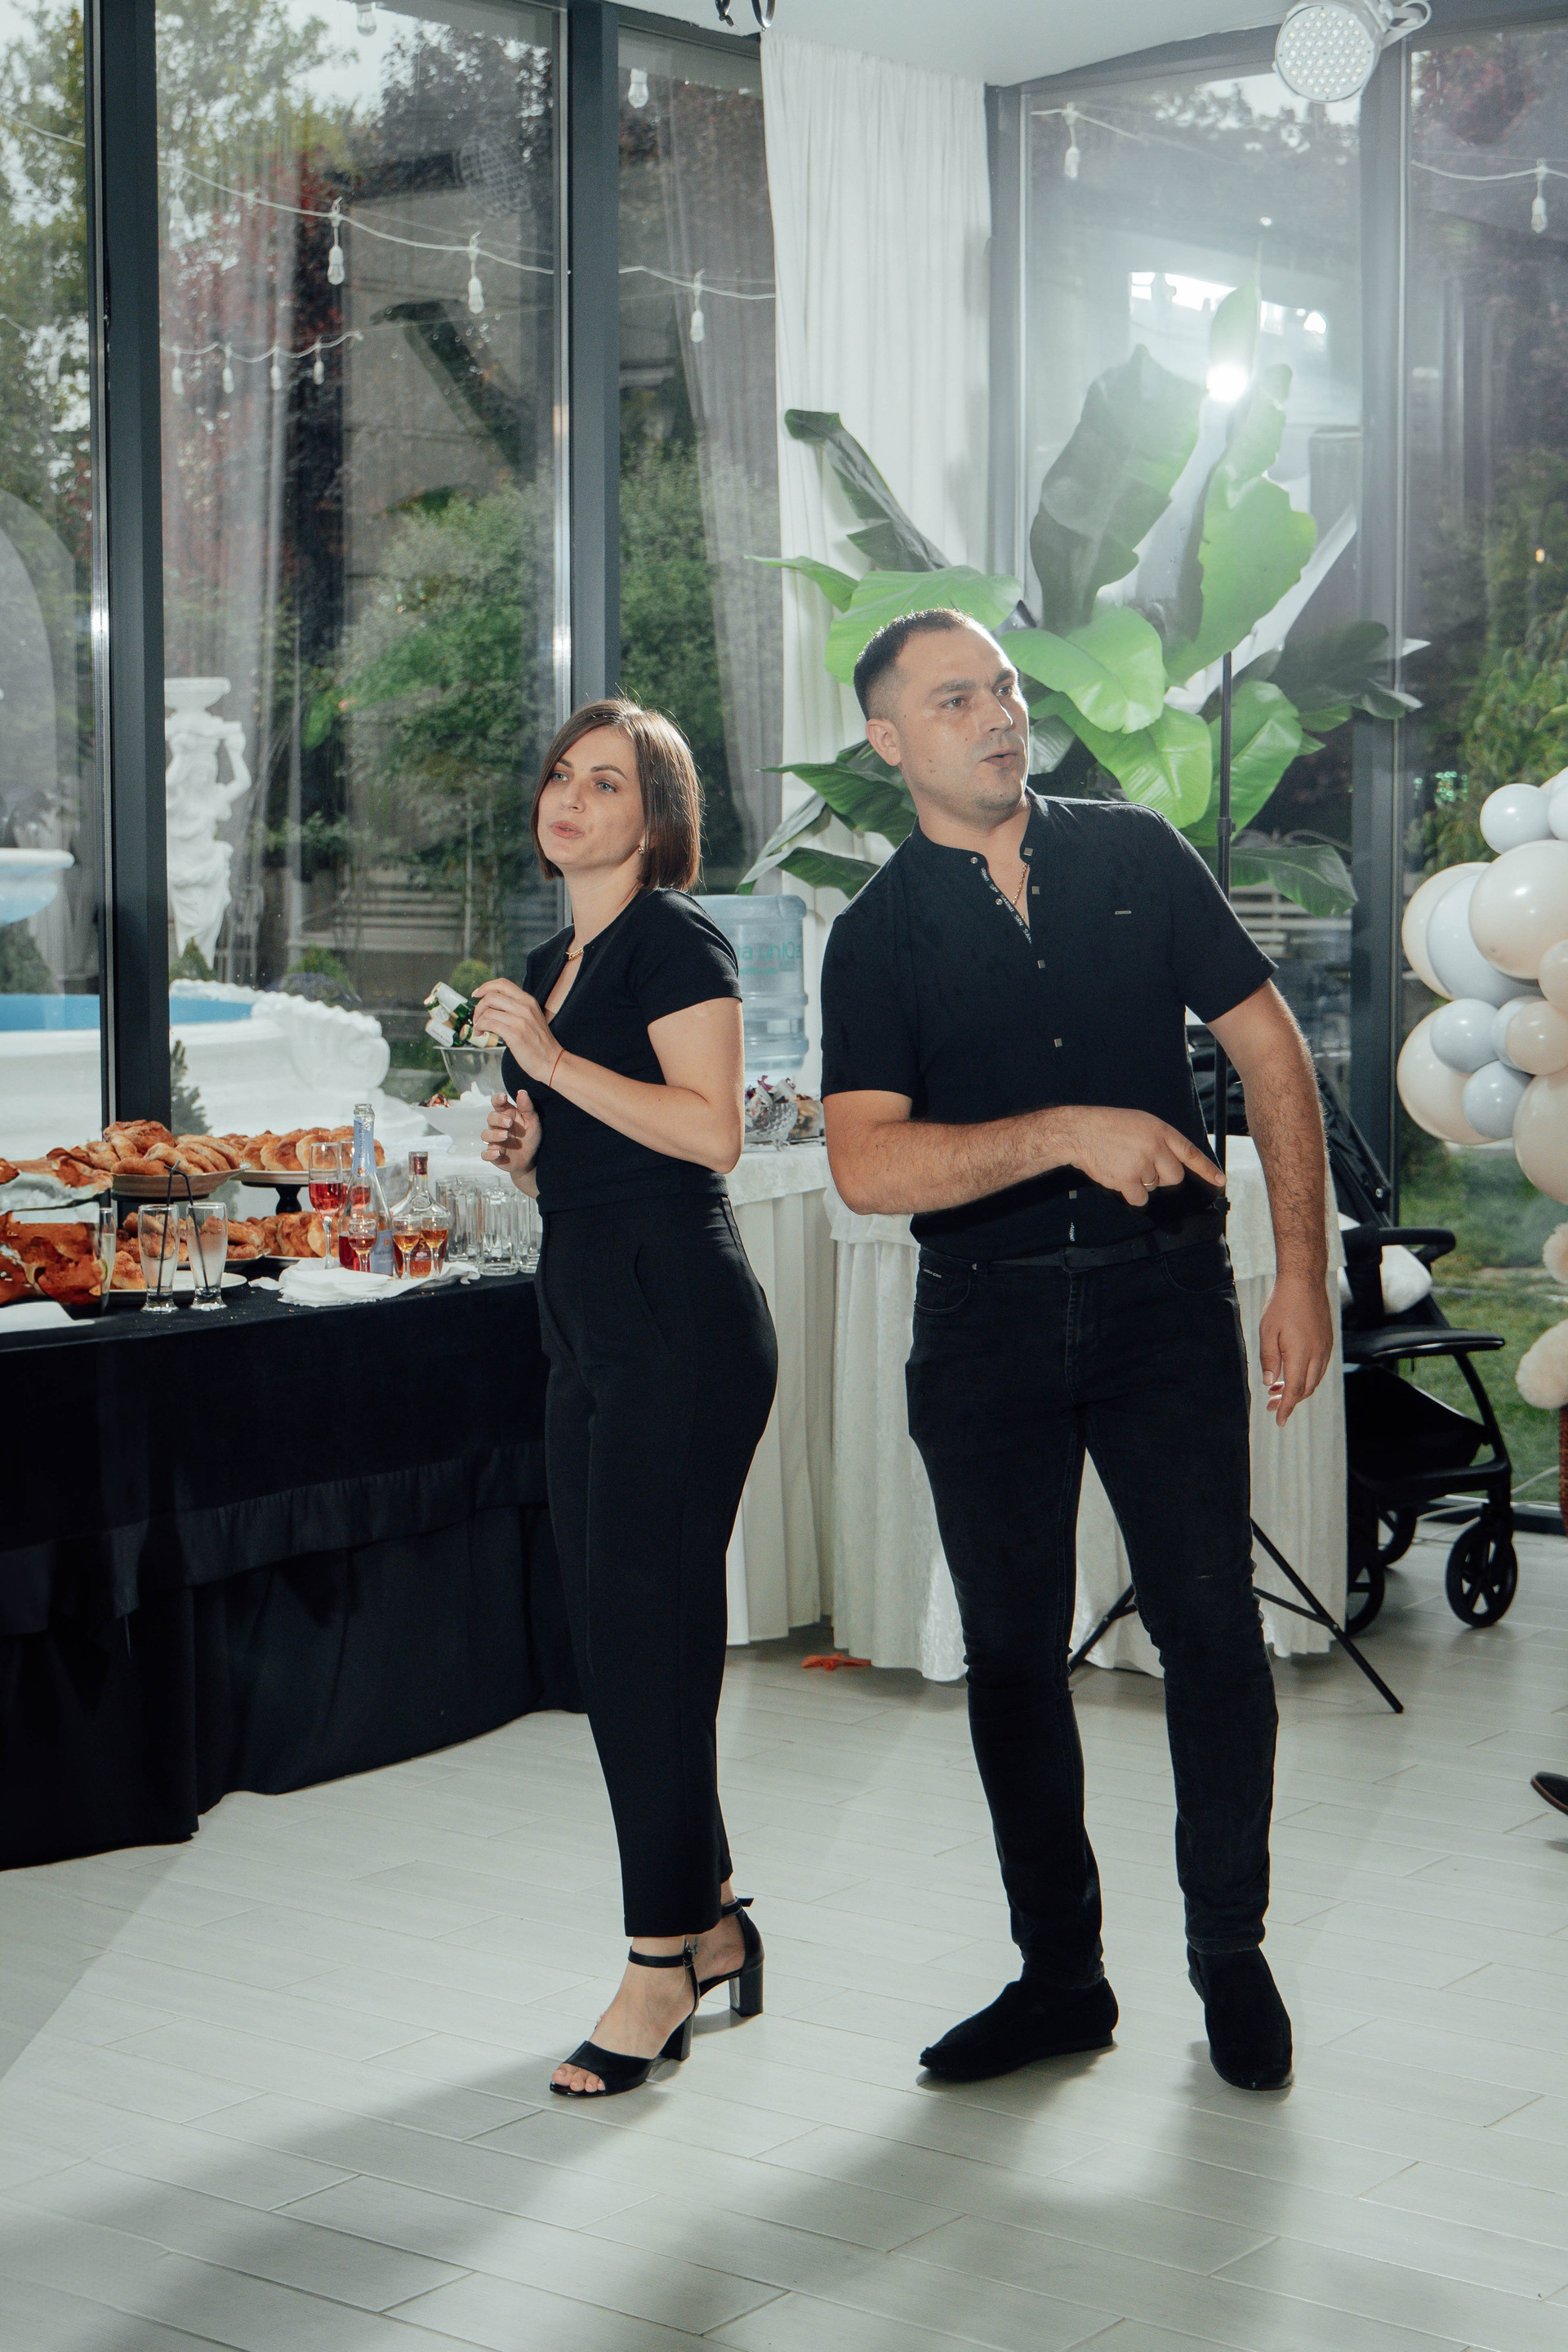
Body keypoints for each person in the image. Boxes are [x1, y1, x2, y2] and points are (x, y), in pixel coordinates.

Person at [820, 610, 1335, 2095]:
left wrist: (1302, 1273)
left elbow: (1273, 1049)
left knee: (1212, 1633)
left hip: (1165, 1304)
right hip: (979, 1327)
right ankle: (1061, 1979)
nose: (999, 715)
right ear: (889, 739)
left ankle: (1229, 1953)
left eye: (1003, 688)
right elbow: (867, 1165)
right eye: (955, 699)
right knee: (1011, 1660)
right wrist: (1063, 1134)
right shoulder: (874, 937)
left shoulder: (1138, 856)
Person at [476, 697, 776, 2098]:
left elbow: (711, 1135)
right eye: (561, 775)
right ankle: (710, 1919)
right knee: (615, 1641)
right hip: (586, 1312)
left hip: (679, 1318)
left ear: (657, 818)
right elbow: (603, 1146)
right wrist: (532, 1148)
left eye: (607, 782)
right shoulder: (558, 961)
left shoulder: (674, 938)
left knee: (648, 1640)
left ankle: (660, 1962)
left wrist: (549, 1061)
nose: (572, 798)